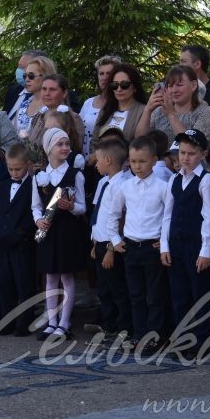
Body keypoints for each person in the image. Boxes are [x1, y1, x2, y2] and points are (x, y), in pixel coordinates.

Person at [104, 136, 168, 355]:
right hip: (130, 247)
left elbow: (169, 216)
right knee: (136, 295)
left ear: (154, 160)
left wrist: (164, 241)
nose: (137, 166)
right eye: (133, 162)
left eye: (142, 161)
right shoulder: (126, 187)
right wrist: (115, 240)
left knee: (154, 296)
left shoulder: (162, 187)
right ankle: (138, 335)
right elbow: (112, 215)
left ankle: (155, 337)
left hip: (152, 248)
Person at [160, 129, 210, 358]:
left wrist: (205, 249)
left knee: (199, 294)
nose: (185, 158)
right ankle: (182, 340)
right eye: (182, 153)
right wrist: (164, 245)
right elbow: (167, 214)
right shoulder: (174, 179)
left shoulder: (206, 180)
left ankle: (202, 341)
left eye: (191, 153)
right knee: (179, 295)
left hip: (196, 244)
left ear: (202, 154)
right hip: (176, 244)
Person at [33, 127, 88, 340]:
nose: (65, 148)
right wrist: (38, 220)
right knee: (50, 276)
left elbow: (83, 206)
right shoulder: (39, 176)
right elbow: (35, 206)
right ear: (49, 148)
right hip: (48, 230)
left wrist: (70, 207)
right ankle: (52, 320)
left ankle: (65, 322)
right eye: (59, 144)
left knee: (67, 275)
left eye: (67, 144)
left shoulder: (76, 175)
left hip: (67, 230)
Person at [0, 143, 37, 336]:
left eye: (18, 169)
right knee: (4, 282)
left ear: (27, 165)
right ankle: (6, 321)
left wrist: (21, 233)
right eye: (10, 169)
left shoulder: (33, 185)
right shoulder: (2, 186)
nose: (14, 173)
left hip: (22, 243)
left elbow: (34, 213)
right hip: (2, 242)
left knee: (24, 283)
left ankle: (24, 323)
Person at [88, 139, 132, 343]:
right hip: (100, 243)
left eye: (98, 160)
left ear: (108, 160)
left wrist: (110, 249)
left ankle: (122, 328)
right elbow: (101, 215)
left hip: (111, 246)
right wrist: (94, 243)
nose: (96, 164)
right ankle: (108, 326)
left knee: (117, 289)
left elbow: (120, 218)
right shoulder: (105, 182)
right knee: (104, 289)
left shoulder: (122, 184)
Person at [136, 66, 210, 144]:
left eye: (179, 85)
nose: (174, 90)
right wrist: (147, 110)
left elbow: (193, 145)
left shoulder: (206, 112)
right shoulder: (158, 112)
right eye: (170, 86)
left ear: (193, 85)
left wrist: (171, 115)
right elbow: (139, 140)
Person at [90, 63, 147, 158]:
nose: (119, 89)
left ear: (135, 87)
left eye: (124, 85)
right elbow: (95, 140)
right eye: (114, 85)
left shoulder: (144, 111)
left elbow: (142, 142)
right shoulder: (105, 110)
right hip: (102, 168)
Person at [27, 74, 86, 151]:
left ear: (64, 93)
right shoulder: (39, 116)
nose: (47, 93)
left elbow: (75, 149)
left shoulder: (73, 118)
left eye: (52, 89)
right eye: (44, 89)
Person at [79, 56, 122, 155]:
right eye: (101, 73)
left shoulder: (121, 103)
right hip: (84, 161)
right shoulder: (88, 103)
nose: (105, 77)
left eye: (109, 73)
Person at [12, 56, 58, 137]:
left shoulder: (55, 107)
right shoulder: (24, 105)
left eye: (31, 76)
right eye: (25, 76)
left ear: (46, 76)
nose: (27, 79)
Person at [3, 49, 46, 114]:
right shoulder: (12, 91)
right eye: (19, 66)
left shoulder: (50, 97)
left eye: (23, 67)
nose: (19, 71)